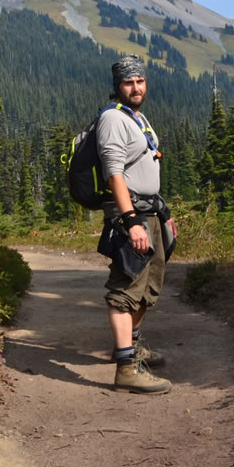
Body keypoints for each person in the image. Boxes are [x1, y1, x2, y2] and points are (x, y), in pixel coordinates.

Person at [96, 54, 178, 394]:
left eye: (139, 81)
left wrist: (163, 212)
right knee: (125, 290)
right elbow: (114, 172)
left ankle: (132, 344)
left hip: (149, 212)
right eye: (128, 82)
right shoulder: (113, 119)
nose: (135, 87)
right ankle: (126, 368)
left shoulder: (137, 118)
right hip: (130, 217)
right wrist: (131, 221)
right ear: (118, 87)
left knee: (149, 286)